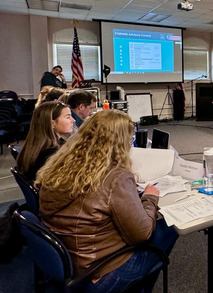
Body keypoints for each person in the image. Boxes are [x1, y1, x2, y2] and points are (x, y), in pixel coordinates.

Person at [36, 110, 178, 293]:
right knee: (168, 227)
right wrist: (149, 197)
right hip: (100, 271)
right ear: (117, 144)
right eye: (128, 140)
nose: (129, 146)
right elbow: (141, 234)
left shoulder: (60, 165)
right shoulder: (115, 176)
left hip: (70, 261)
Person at [16, 101, 74, 182]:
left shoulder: (36, 146)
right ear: (52, 123)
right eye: (68, 117)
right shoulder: (49, 154)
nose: (73, 120)